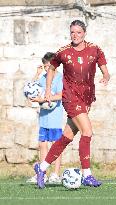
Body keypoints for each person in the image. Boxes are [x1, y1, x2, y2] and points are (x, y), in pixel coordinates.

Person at [34, 20, 110, 189]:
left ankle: (42, 168)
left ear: (84, 33)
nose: (75, 35)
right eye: (72, 32)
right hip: (70, 97)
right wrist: (47, 90)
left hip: (86, 98)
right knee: (87, 132)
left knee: (67, 137)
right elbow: (51, 68)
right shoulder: (63, 52)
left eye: (78, 32)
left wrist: (105, 76)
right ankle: (87, 174)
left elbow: (104, 68)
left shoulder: (95, 49)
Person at [27, 52, 63, 184]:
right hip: (43, 119)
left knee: (56, 146)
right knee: (42, 145)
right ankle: (42, 173)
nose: (46, 69)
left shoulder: (60, 78)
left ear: (55, 66)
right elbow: (31, 89)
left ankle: (55, 174)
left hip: (55, 120)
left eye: (48, 66)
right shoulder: (42, 78)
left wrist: (44, 99)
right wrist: (37, 74)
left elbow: (61, 95)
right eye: (45, 66)